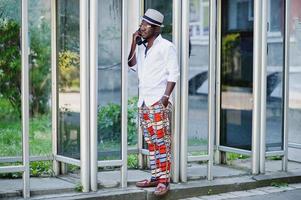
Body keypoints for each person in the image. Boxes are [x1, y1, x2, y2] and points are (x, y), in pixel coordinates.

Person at [128, 9, 179, 196]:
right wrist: (133, 43)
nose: (141, 28)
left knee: (162, 142)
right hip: (144, 102)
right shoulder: (142, 49)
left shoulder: (166, 47)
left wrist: (164, 99)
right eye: (141, 24)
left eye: (145, 25)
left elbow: (174, 74)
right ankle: (155, 177)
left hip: (158, 101)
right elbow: (131, 65)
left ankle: (164, 181)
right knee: (151, 142)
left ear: (156, 28)